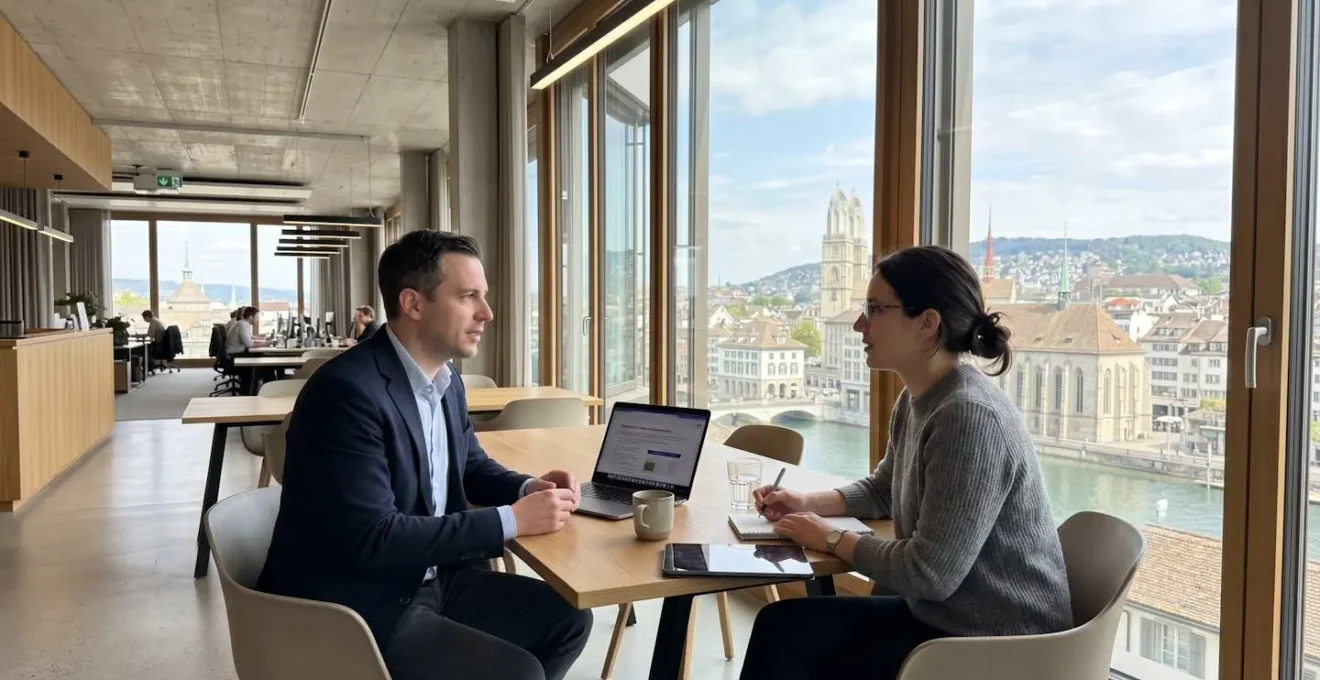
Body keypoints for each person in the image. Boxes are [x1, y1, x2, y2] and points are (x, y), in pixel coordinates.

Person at [257, 231, 592, 680]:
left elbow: (470, 465)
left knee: (569, 621)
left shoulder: (446, 380)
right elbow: (374, 538)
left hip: (431, 578)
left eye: (484, 296)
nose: (486, 313)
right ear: (413, 304)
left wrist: (528, 487)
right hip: (356, 601)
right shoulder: (345, 393)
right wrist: (512, 521)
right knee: (517, 671)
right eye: (468, 296)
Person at [739, 246, 1072, 680]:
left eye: (875, 309)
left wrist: (831, 538)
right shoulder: (918, 399)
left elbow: (929, 573)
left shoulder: (968, 416)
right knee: (778, 627)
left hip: (1002, 645)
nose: (860, 324)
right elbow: (883, 490)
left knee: (796, 649)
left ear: (927, 324)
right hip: (946, 619)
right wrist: (806, 501)